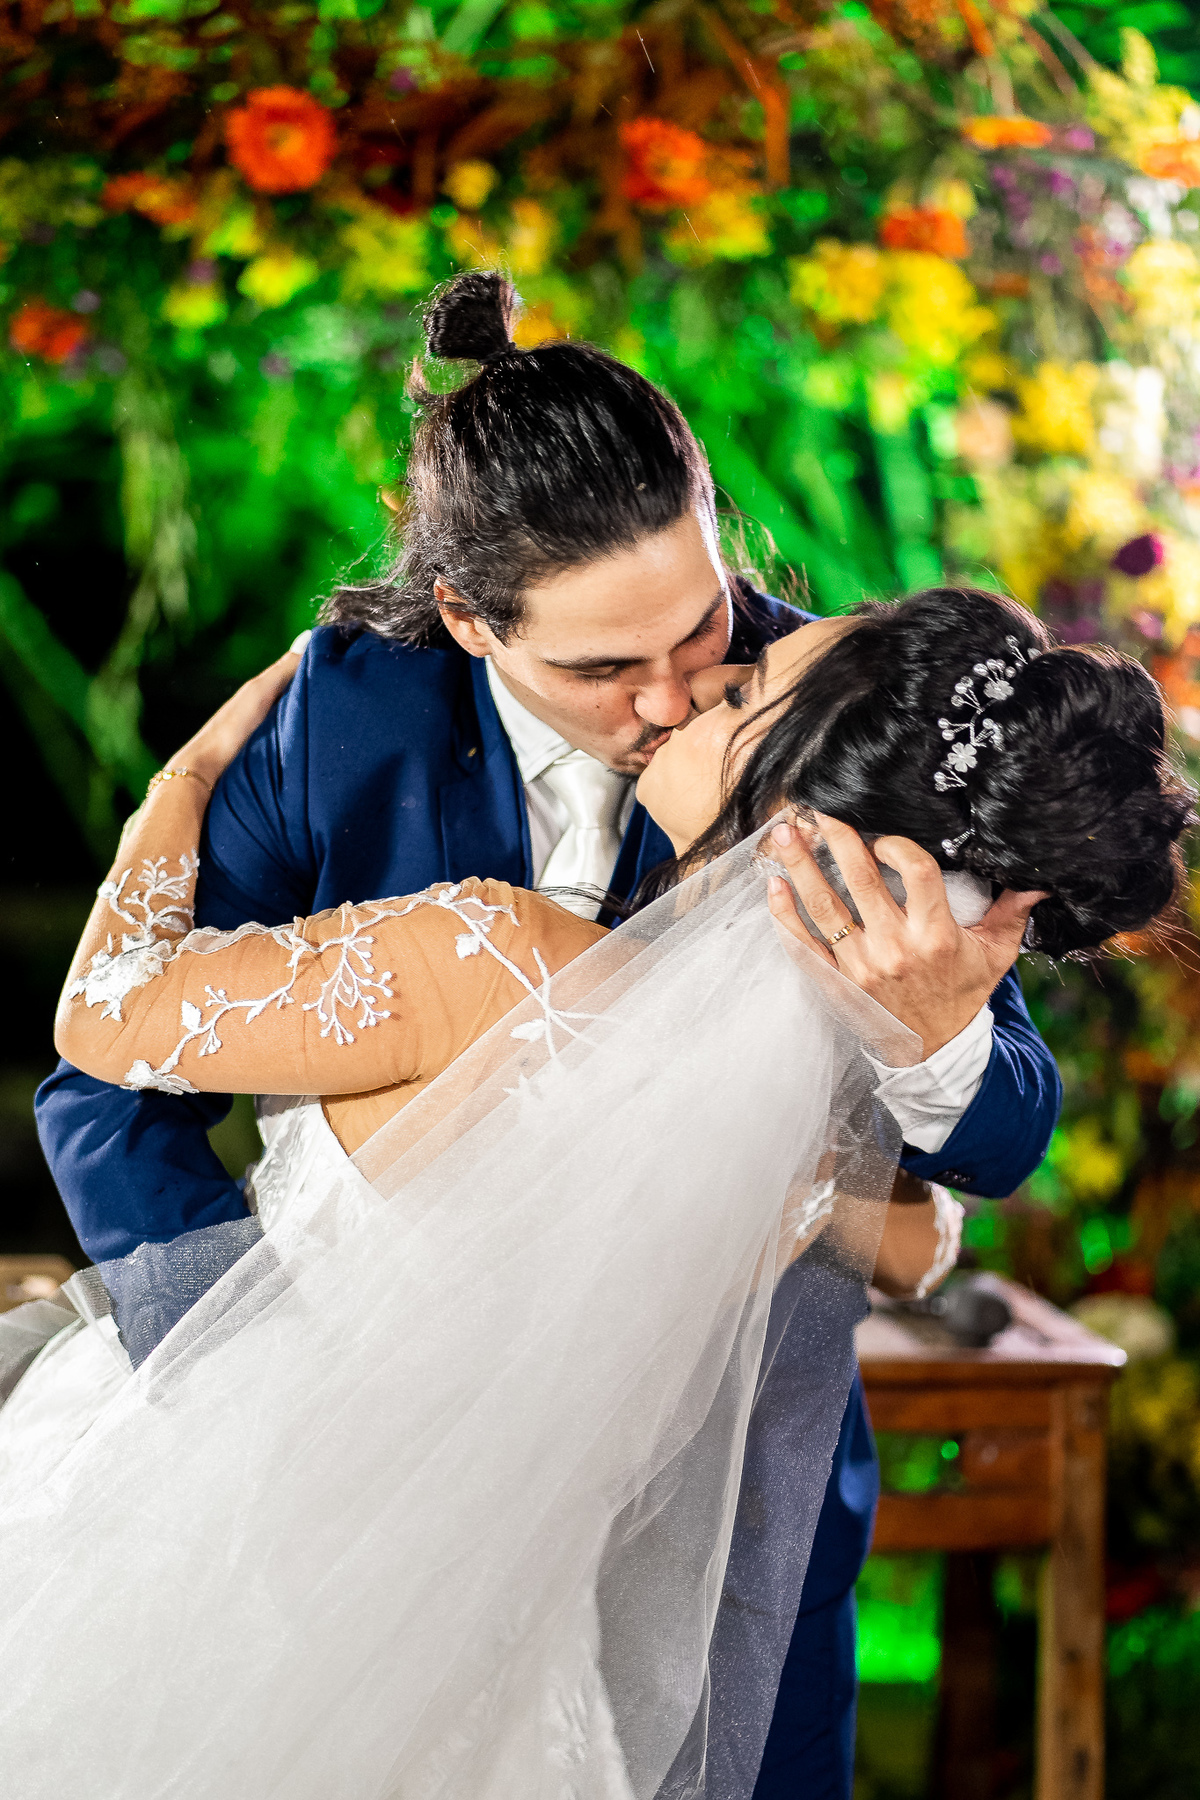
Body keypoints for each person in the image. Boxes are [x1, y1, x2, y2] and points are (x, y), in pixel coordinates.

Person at [32, 273, 1065, 1798]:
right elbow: (109, 1083)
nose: (671, 696)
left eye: (701, 621)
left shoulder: (825, 705)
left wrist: (940, 1040)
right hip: (361, 1488)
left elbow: (1001, 1133)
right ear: (465, 615)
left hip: (730, 1504)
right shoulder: (341, 714)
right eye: (598, 669)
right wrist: (243, 1394)